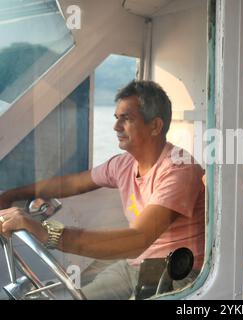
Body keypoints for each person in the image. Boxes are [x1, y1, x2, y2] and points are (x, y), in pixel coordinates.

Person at [0, 80, 205, 300]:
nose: (116, 127)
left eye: (126, 119)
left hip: (179, 274)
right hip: (135, 266)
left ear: (155, 126)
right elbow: (73, 183)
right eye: (117, 118)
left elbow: (138, 240)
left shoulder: (179, 169)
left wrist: (46, 233)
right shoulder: (123, 164)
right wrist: (12, 195)